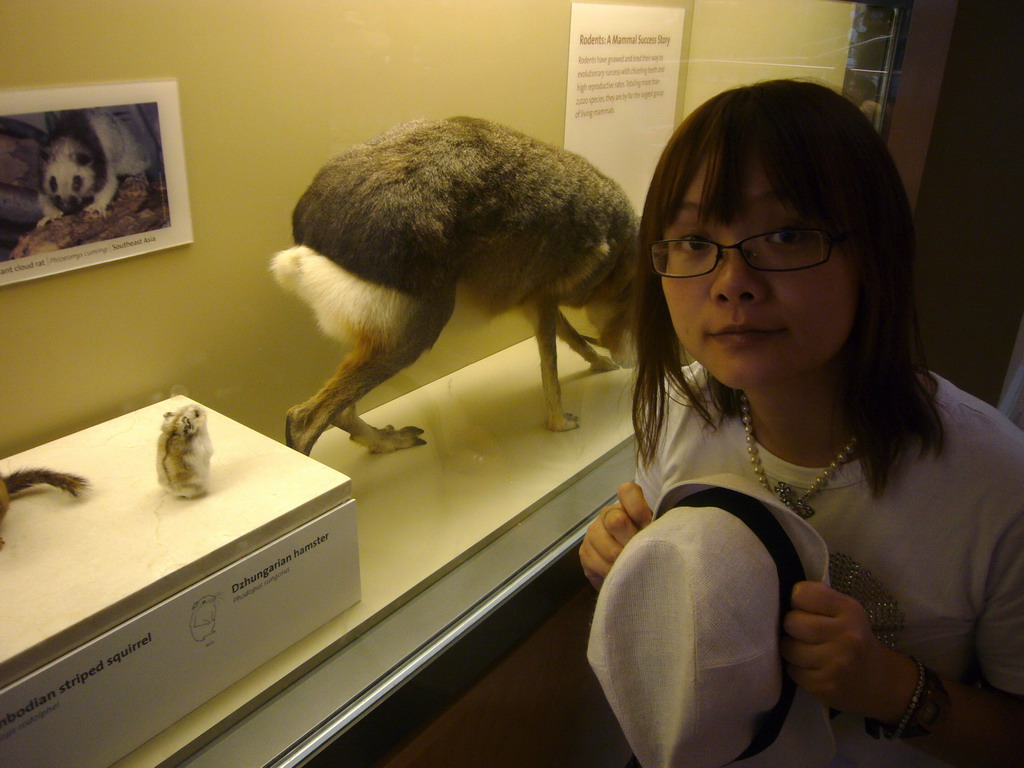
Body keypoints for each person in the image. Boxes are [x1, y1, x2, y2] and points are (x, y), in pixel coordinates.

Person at [579, 79, 1024, 767]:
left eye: (785, 235)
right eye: (695, 240)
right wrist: (622, 554)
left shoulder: (997, 483)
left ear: (872, 254)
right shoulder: (679, 413)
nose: (731, 281)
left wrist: (892, 686)